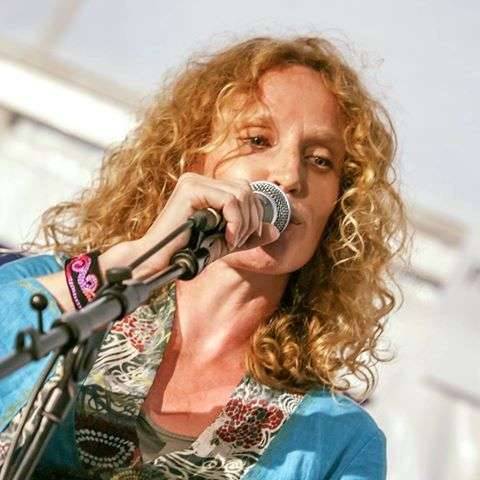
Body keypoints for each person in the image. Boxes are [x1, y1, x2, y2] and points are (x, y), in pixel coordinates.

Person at [0, 36, 406, 479]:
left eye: (320, 161)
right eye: (257, 140)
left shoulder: (339, 441)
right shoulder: (54, 289)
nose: (289, 175)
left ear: (339, 206)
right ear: (191, 158)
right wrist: (132, 264)